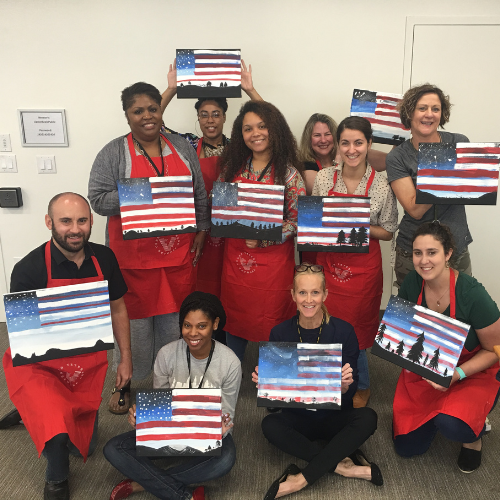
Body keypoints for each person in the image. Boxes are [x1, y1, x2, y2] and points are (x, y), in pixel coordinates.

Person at [88, 82, 210, 414]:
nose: (146, 116)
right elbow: (97, 200)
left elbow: (199, 192)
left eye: (152, 109)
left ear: (161, 109)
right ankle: (124, 382)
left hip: (176, 258)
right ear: (127, 115)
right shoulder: (113, 152)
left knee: (175, 326)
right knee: (134, 330)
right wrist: (146, 195)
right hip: (132, 263)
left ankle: (174, 385)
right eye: (137, 111)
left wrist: (202, 229)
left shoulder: (181, 147)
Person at [0, 192, 131, 500]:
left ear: (91, 221)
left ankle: (29, 412)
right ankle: (56, 479)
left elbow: (118, 308)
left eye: (82, 220)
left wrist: (125, 358)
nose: (75, 229)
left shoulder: (104, 258)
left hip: (87, 362)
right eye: (66, 221)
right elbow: (24, 336)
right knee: (57, 432)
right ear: (49, 222)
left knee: (85, 445)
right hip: (39, 365)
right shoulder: (28, 269)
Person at [252, 264, 381, 499]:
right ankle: (342, 466)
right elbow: (280, 397)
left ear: (325, 294)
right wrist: (267, 385)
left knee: (368, 417)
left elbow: (351, 392)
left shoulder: (344, 332)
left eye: (315, 292)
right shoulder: (279, 333)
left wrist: (344, 388)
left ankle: (301, 479)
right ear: (293, 295)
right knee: (269, 425)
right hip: (298, 418)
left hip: (335, 416)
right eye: (302, 292)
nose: (309, 299)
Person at [103, 291, 242, 500]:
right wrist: (143, 419)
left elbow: (227, 411)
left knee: (225, 459)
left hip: (207, 433)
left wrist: (219, 428)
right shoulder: (166, 354)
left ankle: (143, 483)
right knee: (114, 448)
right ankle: (183, 494)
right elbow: (162, 407)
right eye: (187, 325)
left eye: (201, 326)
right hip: (172, 431)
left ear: (215, 324)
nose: (193, 333)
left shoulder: (230, 362)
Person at [393, 222, 500, 473]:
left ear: (448, 253)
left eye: (432, 252)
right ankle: (436, 414)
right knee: (407, 448)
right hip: (428, 366)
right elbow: (401, 332)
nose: (423, 261)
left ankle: (473, 438)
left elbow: (495, 349)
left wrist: (456, 375)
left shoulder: (472, 293)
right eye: (418, 253)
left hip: (471, 371)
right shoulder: (412, 282)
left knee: (453, 425)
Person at [312, 116, 398, 407]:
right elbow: (314, 220)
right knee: (324, 322)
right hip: (328, 264)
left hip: (363, 270)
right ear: (338, 145)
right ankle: (324, 378)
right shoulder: (324, 178)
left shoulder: (382, 185)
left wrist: (354, 221)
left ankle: (362, 383)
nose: (351, 149)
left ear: (369, 144)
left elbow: (387, 231)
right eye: (345, 142)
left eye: (358, 142)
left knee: (357, 328)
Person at [160, 60, 263, 298]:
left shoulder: (239, 147)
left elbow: (270, 124)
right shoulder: (187, 145)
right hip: (197, 228)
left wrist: (249, 90)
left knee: (229, 285)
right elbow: (156, 124)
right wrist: (172, 89)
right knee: (198, 286)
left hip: (231, 229)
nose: (210, 120)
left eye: (216, 114)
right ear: (198, 118)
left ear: (225, 118)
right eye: (204, 115)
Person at [217, 100, 306, 362]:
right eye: (248, 128)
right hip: (236, 263)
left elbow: (298, 220)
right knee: (235, 319)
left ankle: (276, 385)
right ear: (240, 134)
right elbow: (222, 213)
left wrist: (266, 238)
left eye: (262, 126)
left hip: (274, 267)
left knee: (275, 324)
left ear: (274, 129)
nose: (255, 133)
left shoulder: (289, 175)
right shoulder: (230, 170)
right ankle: (231, 376)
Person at [386, 83, 473, 287]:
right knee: (415, 314)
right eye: (422, 108)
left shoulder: (459, 142)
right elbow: (415, 209)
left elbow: (473, 186)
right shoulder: (398, 157)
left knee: (461, 310)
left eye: (436, 109)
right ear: (409, 113)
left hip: (456, 247)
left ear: (442, 114)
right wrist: (445, 170)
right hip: (414, 251)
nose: (429, 114)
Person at [300, 113, 390, 196]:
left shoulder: (352, 152)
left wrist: (398, 140)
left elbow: (391, 161)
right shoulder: (309, 170)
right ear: (308, 139)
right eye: (317, 135)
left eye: (327, 134)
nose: (323, 140)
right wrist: (339, 159)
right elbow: (327, 191)